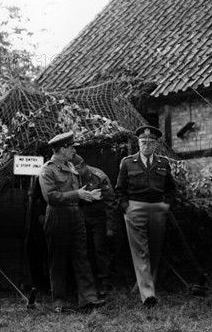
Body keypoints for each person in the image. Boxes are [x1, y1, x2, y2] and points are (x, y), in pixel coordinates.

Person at [38, 132, 105, 313]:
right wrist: (77, 195)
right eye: (71, 147)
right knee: (58, 260)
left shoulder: (71, 166)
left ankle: (88, 299)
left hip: (76, 215)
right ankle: (59, 303)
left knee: (81, 258)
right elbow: (51, 197)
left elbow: (76, 192)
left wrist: (87, 196)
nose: (74, 150)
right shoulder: (47, 170)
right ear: (62, 149)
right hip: (57, 218)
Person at [115, 125, 176, 308]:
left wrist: (166, 204)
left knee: (155, 250)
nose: (146, 146)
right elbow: (119, 190)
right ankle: (148, 295)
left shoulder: (163, 163)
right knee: (140, 251)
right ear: (138, 143)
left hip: (157, 208)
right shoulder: (127, 162)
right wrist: (127, 208)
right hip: (136, 208)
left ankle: (146, 286)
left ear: (156, 145)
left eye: (150, 143)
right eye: (143, 142)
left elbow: (171, 189)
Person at [71, 154, 117, 298]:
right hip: (80, 217)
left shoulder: (98, 176)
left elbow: (110, 201)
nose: (77, 172)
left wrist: (110, 226)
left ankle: (105, 282)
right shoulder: (70, 176)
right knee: (83, 250)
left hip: (99, 218)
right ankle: (86, 284)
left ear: (83, 165)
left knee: (100, 249)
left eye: (78, 169)